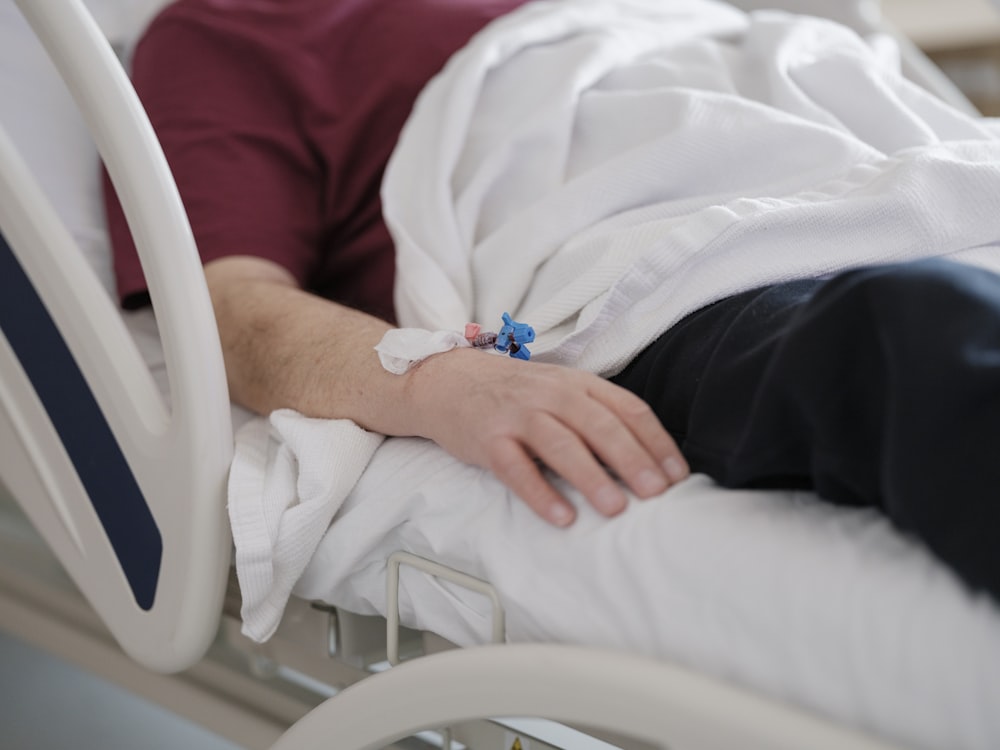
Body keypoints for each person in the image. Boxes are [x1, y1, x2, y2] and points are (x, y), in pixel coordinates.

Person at [105, 0, 1000, 603]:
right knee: (917, 340)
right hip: (679, 260)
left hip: (928, 187)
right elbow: (224, 309)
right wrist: (437, 382)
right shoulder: (226, 32)